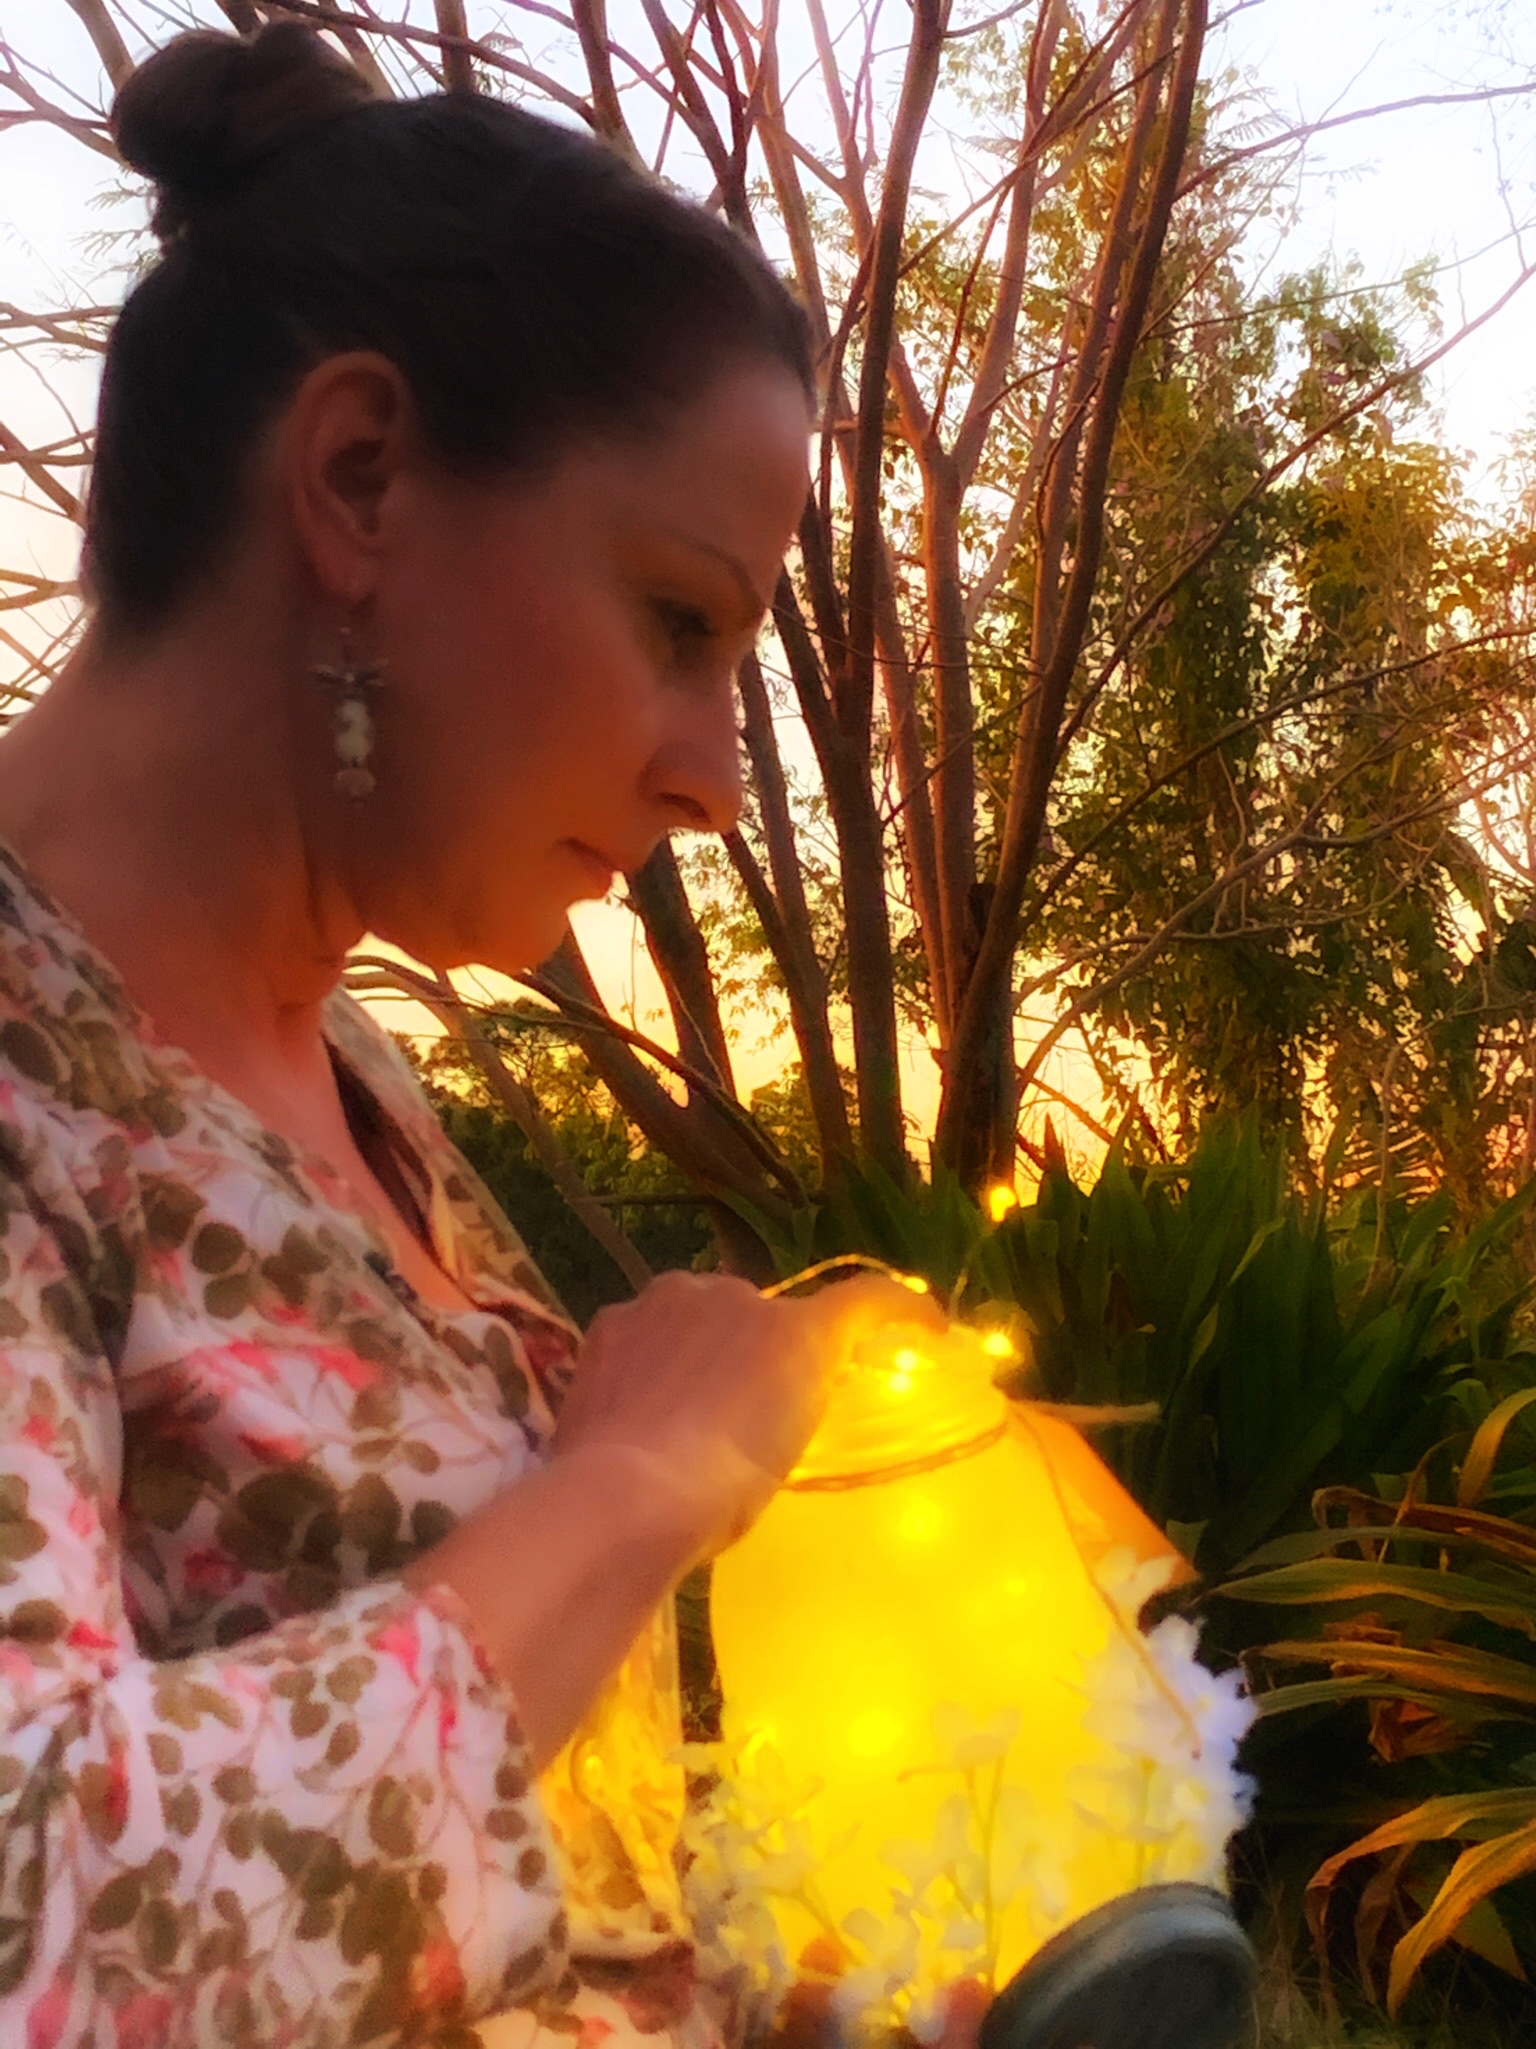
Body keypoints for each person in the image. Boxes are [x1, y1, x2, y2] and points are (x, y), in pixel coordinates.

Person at [0, 24, 948, 2048]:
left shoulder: (353, 1085)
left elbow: (493, 1819)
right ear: (358, 478)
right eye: (679, 619)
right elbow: (37, 1928)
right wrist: (633, 1476)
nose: (714, 778)